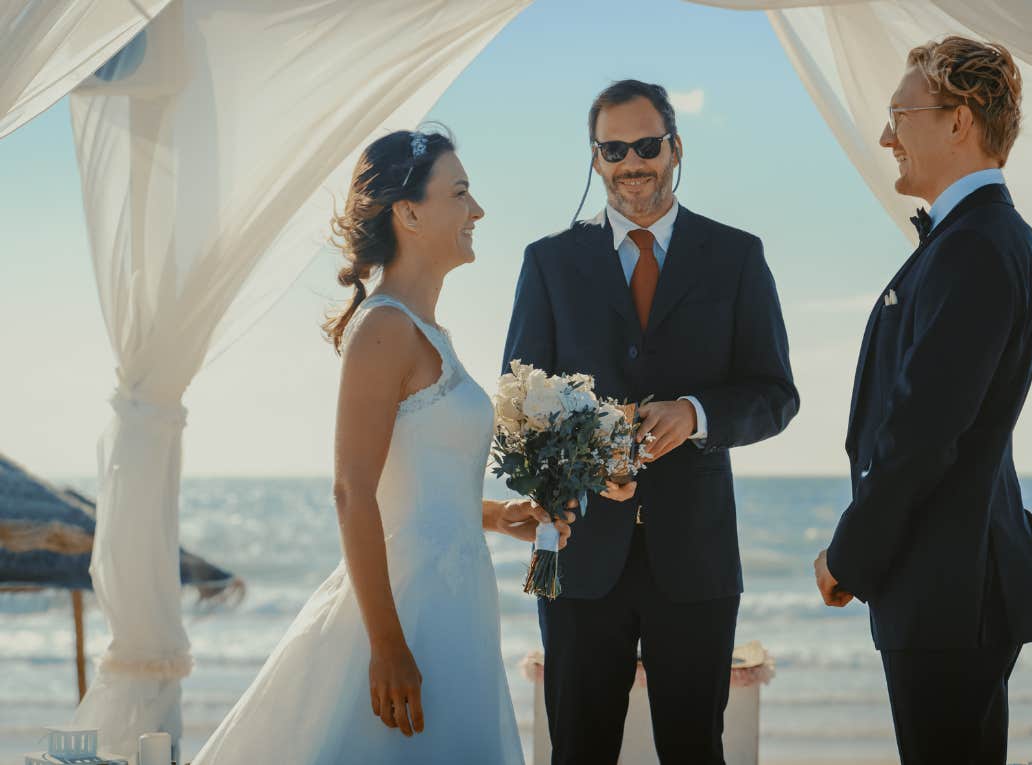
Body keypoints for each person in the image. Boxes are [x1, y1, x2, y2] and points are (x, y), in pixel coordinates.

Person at [193, 127, 571, 763]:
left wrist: (493, 515)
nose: (477, 211)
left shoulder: (430, 332)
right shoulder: (385, 328)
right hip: (409, 607)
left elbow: (410, 484)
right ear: (410, 212)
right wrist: (389, 646)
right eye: (461, 194)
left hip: (457, 602)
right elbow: (352, 491)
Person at [503, 80, 799, 764]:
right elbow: (518, 408)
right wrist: (588, 449)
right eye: (614, 148)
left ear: (675, 147)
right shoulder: (546, 263)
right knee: (577, 749)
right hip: (572, 553)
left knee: (697, 750)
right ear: (596, 158)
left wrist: (697, 413)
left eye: (646, 144)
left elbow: (775, 393)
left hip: (697, 558)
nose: (632, 161)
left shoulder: (737, 257)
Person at [812, 37, 1032, 765]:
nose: (887, 136)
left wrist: (848, 556)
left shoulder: (977, 247)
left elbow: (924, 434)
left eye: (900, 114)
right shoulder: (980, 240)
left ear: (958, 121)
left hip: (947, 586)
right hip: (953, 581)